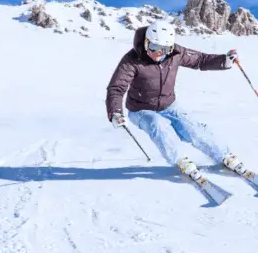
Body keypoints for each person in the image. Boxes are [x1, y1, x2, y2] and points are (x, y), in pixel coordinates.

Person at [105, 20, 247, 181]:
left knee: (192, 128)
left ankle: (224, 156)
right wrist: (115, 112)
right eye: (153, 48)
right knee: (158, 125)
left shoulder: (176, 54)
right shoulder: (131, 60)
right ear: (146, 42)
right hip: (140, 109)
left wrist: (225, 60)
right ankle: (181, 160)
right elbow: (116, 87)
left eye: (164, 49)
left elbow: (200, 60)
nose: (159, 53)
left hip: (169, 105)